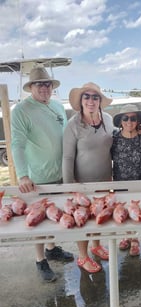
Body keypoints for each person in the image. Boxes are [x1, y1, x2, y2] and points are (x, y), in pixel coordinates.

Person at [11, 66, 74, 282]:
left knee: (54, 215)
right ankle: (40, 260)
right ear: (31, 88)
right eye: (39, 84)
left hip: (61, 173)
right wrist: (22, 175)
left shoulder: (57, 106)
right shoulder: (21, 110)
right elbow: (17, 145)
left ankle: (51, 248)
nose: (44, 88)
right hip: (37, 178)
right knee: (37, 220)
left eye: (47, 84)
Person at [62, 82, 114, 273]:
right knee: (82, 219)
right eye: (87, 97)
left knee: (98, 215)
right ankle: (83, 257)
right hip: (81, 184)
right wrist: (70, 187)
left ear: (100, 101)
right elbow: (67, 157)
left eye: (95, 97)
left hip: (104, 181)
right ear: (81, 100)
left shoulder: (108, 119)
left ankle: (96, 245)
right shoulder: (73, 125)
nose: (91, 101)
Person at [111, 104, 141, 256]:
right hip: (120, 181)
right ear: (120, 121)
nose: (129, 121)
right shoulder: (114, 138)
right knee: (123, 210)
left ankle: (135, 239)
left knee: (136, 211)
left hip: (140, 182)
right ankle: (126, 236)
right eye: (125, 118)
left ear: (138, 121)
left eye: (133, 118)